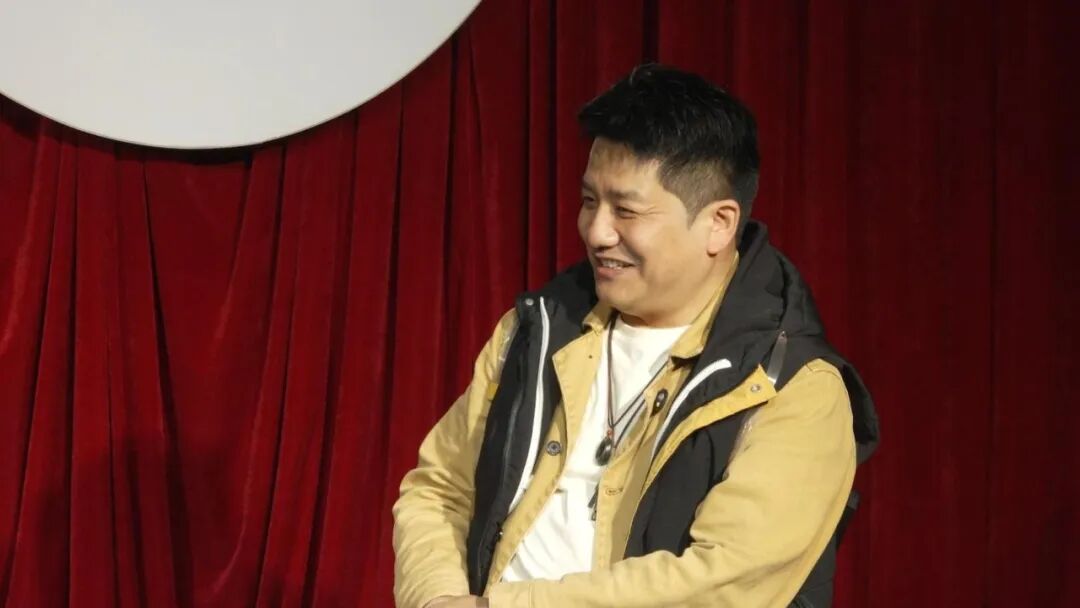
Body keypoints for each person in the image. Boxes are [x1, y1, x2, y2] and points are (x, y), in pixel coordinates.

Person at [392, 63, 879, 608]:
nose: (597, 232)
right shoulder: (538, 329)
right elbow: (439, 490)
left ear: (719, 223)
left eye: (626, 210)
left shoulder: (792, 385)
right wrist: (436, 599)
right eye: (589, 201)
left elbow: (718, 581)